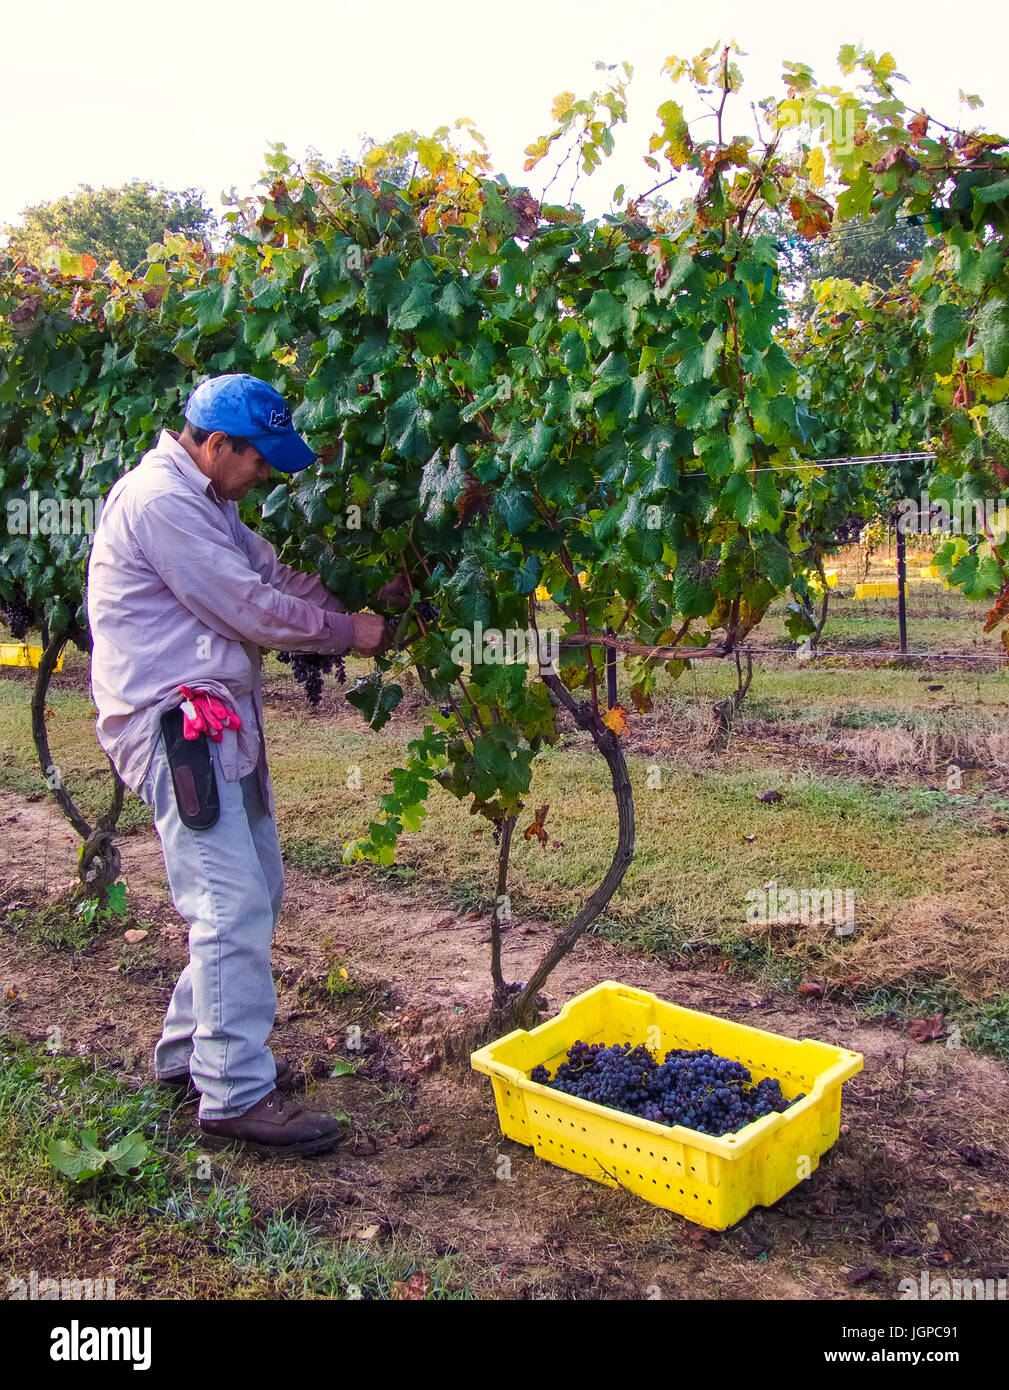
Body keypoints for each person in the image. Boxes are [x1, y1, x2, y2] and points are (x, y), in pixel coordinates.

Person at [86, 373, 404, 1156]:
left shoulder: (207, 502)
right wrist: (344, 634)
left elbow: (272, 578)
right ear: (217, 444)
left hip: (211, 721)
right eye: (258, 460)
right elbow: (248, 607)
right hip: (179, 728)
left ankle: (187, 1056)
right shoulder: (162, 502)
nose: (263, 476)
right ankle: (232, 1094)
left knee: (254, 888)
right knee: (227, 905)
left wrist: (361, 601)